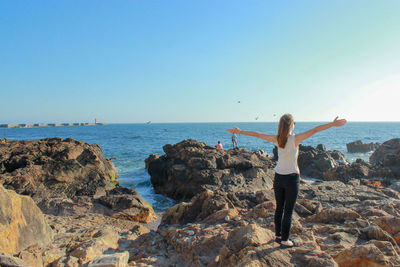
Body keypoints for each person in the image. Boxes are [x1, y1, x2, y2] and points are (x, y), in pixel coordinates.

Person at [227, 114, 346, 248]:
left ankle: (278, 236)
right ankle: (285, 240)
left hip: (278, 177)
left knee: (279, 208)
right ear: (291, 125)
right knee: (288, 211)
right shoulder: (295, 139)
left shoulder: (277, 139)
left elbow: (257, 134)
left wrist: (239, 131)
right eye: (294, 123)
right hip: (291, 178)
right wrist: (332, 124)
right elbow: (315, 130)